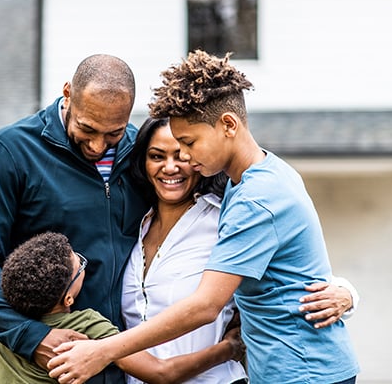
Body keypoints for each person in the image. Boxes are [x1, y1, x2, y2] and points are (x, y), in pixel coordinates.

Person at [47, 50, 360, 384]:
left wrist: (102, 351)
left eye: (189, 142)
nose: (184, 156)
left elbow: (205, 305)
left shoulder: (256, 197)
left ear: (228, 125)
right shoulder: (258, 179)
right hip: (288, 369)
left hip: (304, 372)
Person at [0, 54, 150, 383]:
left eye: (112, 134)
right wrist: (31, 337)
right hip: (35, 364)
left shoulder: (142, 153)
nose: (98, 145)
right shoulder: (7, 152)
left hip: (118, 364)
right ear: (68, 93)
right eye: (87, 128)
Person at [122, 117, 358, 384]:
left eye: (185, 150)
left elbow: (284, 269)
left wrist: (345, 292)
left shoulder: (227, 216)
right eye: (157, 156)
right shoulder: (131, 224)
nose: (172, 166)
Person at [0, 231, 245, 383]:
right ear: (68, 299)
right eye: (79, 265)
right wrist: (227, 349)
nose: (83, 264)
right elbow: (161, 372)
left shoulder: (1, 321)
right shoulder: (85, 327)